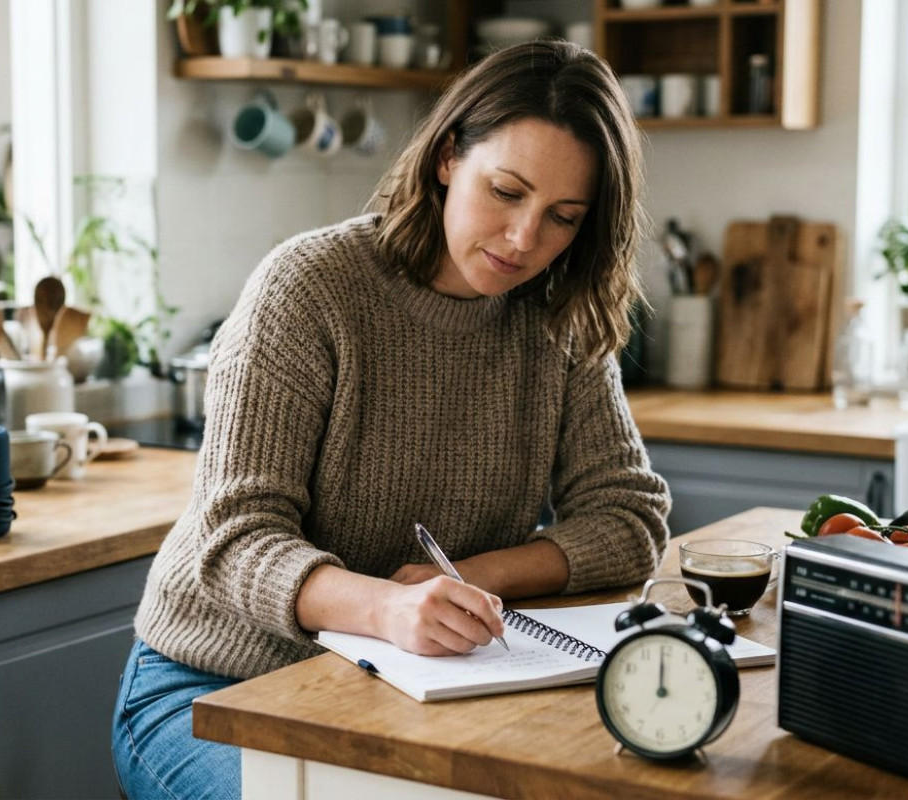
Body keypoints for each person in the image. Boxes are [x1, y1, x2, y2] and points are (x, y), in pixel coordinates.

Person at [112, 39, 670, 800]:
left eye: (562, 217)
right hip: (217, 690)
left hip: (411, 688)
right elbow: (234, 540)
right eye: (505, 191)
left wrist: (464, 581)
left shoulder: (556, 320)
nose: (523, 239)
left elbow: (629, 520)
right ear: (447, 157)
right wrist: (388, 606)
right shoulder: (310, 288)